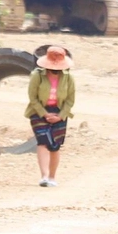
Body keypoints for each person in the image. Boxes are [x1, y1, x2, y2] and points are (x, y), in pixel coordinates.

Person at [26, 44, 76, 187]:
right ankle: (44, 176)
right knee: (43, 141)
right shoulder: (37, 76)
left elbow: (70, 100)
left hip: (59, 111)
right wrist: (44, 113)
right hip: (39, 111)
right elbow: (33, 98)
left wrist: (61, 116)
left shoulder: (69, 79)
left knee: (55, 145)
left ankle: (53, 177)